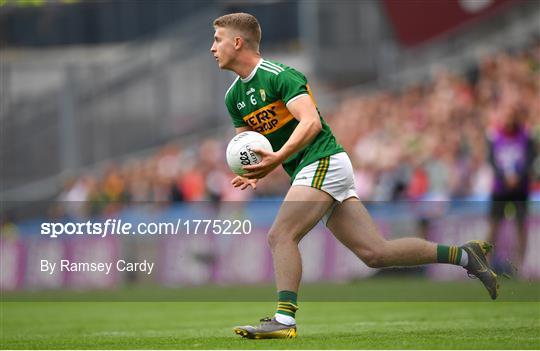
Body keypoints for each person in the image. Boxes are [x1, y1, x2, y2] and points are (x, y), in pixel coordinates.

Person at [210, 13, 498, 339]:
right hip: (313, 169)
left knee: (280, 235)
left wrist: (277, 158)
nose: (212, 48)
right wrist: (251, 173)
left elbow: (311, 123)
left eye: (217, 39)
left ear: (238, 42)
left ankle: (284, 320)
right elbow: (247, 146)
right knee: (375, 253)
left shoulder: (280, 76)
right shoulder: (233, 98)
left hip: (323, 160)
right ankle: (464, 254)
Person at [486, 103, 535, 274]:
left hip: (520, 188)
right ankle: (485, 263)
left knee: (521, 225)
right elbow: (491, 160)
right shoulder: (494, 136)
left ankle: (520, 265)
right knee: (493, 225)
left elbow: (530, 159)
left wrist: (518, 176)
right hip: (501, 187)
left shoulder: (525, 136)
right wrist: (504, 177)